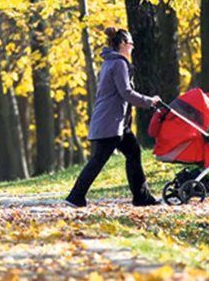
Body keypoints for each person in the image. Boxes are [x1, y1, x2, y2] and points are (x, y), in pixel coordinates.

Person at [65, 27, 162, 208]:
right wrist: (150, 102)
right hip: (111, 123)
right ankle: (75, 197)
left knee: (133, 152)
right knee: (98, 160)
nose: (133, 47)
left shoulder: (110, 62)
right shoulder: (118, 63)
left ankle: (141, 197)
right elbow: (126, 92)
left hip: (115, 122)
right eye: (131, 43)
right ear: (123, 44)